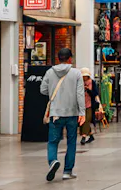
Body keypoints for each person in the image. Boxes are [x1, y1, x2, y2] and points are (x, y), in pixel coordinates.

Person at [40, 47, 86, 181]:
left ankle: (53, 161)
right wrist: (82, 112)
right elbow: (80, 94)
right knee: (71, 142)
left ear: (58, 58)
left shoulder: (49, 72)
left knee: (53, 141)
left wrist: (54, 92)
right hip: (72, 113)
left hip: (55, 113)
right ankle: (67, 171)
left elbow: (43, 90)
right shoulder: (76, 73)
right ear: (70, 58)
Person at [80, 68, 102, 145]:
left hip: (90, 105)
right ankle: (91, 135)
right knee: (81, 121)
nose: (84, 77)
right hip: (80, 104)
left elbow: (95, 93)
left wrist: (88, 90)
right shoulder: (79, 82)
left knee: (86, 120)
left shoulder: (92, 82)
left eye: (86, 76)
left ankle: (83, 136)